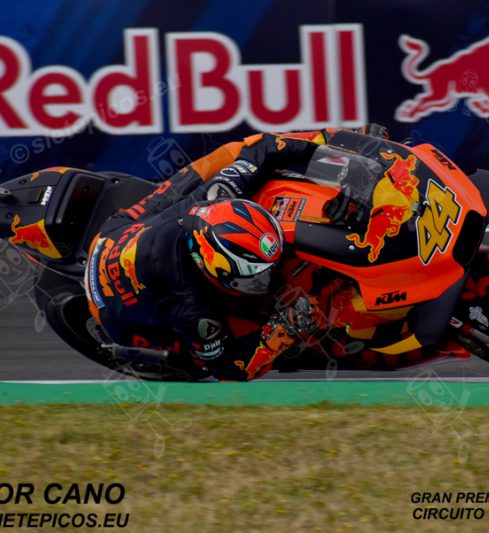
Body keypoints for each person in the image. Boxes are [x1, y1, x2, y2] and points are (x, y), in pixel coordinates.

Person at [85, 126, 386, 381]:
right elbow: (230, 369)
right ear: (214, 272)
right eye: (256, 277)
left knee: (236, 151)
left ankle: (352, 143)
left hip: (117, 231)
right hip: (111, 306)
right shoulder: (194, 309)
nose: (268, 279)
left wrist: (342, 162)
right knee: (216, 350)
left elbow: (269, 146)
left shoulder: (219, 194)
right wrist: (281, 330)